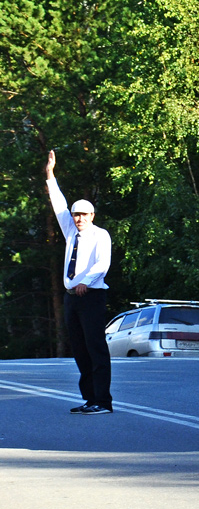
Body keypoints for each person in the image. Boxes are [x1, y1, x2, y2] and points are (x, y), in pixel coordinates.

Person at [45, 150, 113, 415]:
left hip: (92, 296)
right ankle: (90, 399)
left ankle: (103, 402)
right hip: (72, 297)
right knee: (80, 350)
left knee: (96, 348)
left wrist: (83, 282)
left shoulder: (100, 235)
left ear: (92, 215)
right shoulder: (71, 231)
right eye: (76, 215)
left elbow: (102, 264)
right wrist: (50, 175)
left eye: (84, 214)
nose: (79, 218)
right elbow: (59, 204)